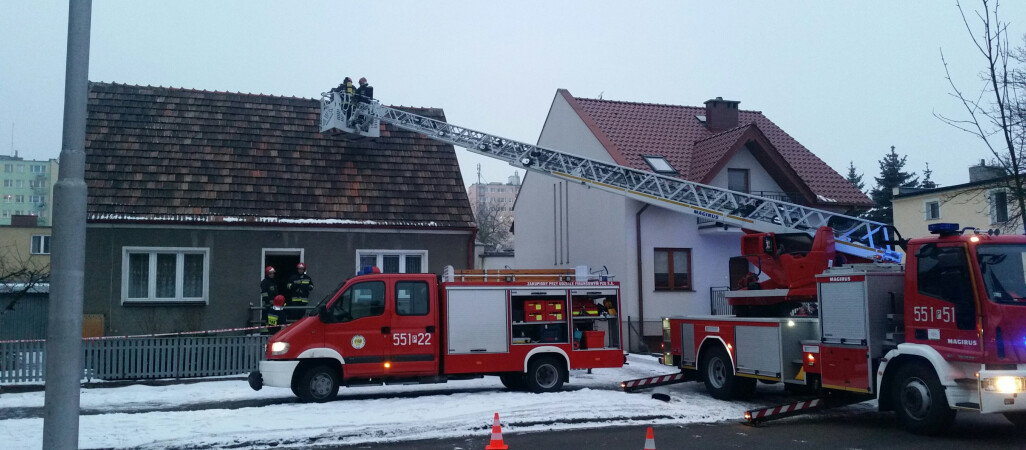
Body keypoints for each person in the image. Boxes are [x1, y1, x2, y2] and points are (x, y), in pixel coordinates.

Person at [259, 266, 278, 331]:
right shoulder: (264, 282)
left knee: (272, 318)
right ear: (267, 274)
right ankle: (264, 331)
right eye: (271, 273)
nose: (272, 275)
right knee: (265, 318)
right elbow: (264, 293)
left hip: (273, 305)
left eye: (273, 273)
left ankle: (271, 330)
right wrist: (268, 301)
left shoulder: (273, 282)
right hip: (267, 305)